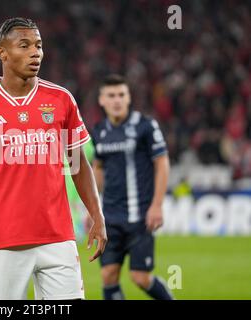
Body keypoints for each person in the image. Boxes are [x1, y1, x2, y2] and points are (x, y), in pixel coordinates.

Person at [0, 17, 107, 300]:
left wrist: (97, 216)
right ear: (2, 53)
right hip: (6, 239)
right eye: (24, 45)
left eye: (39, 46)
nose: (35, 53)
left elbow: (79, 166)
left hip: (59, 238)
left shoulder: (61, 99)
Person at [91, 74, 173, 300]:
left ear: (128, 98)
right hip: (110, 218)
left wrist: (157, 205)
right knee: (108, 275)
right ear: (102, 100)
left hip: (139, 217)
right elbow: (98, 168)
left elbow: (162, 163)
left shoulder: (145, 126)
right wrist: (93, 209)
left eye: (121, 95)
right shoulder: (99, 131)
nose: (116, 100)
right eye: (111, 95)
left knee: (140, 277)